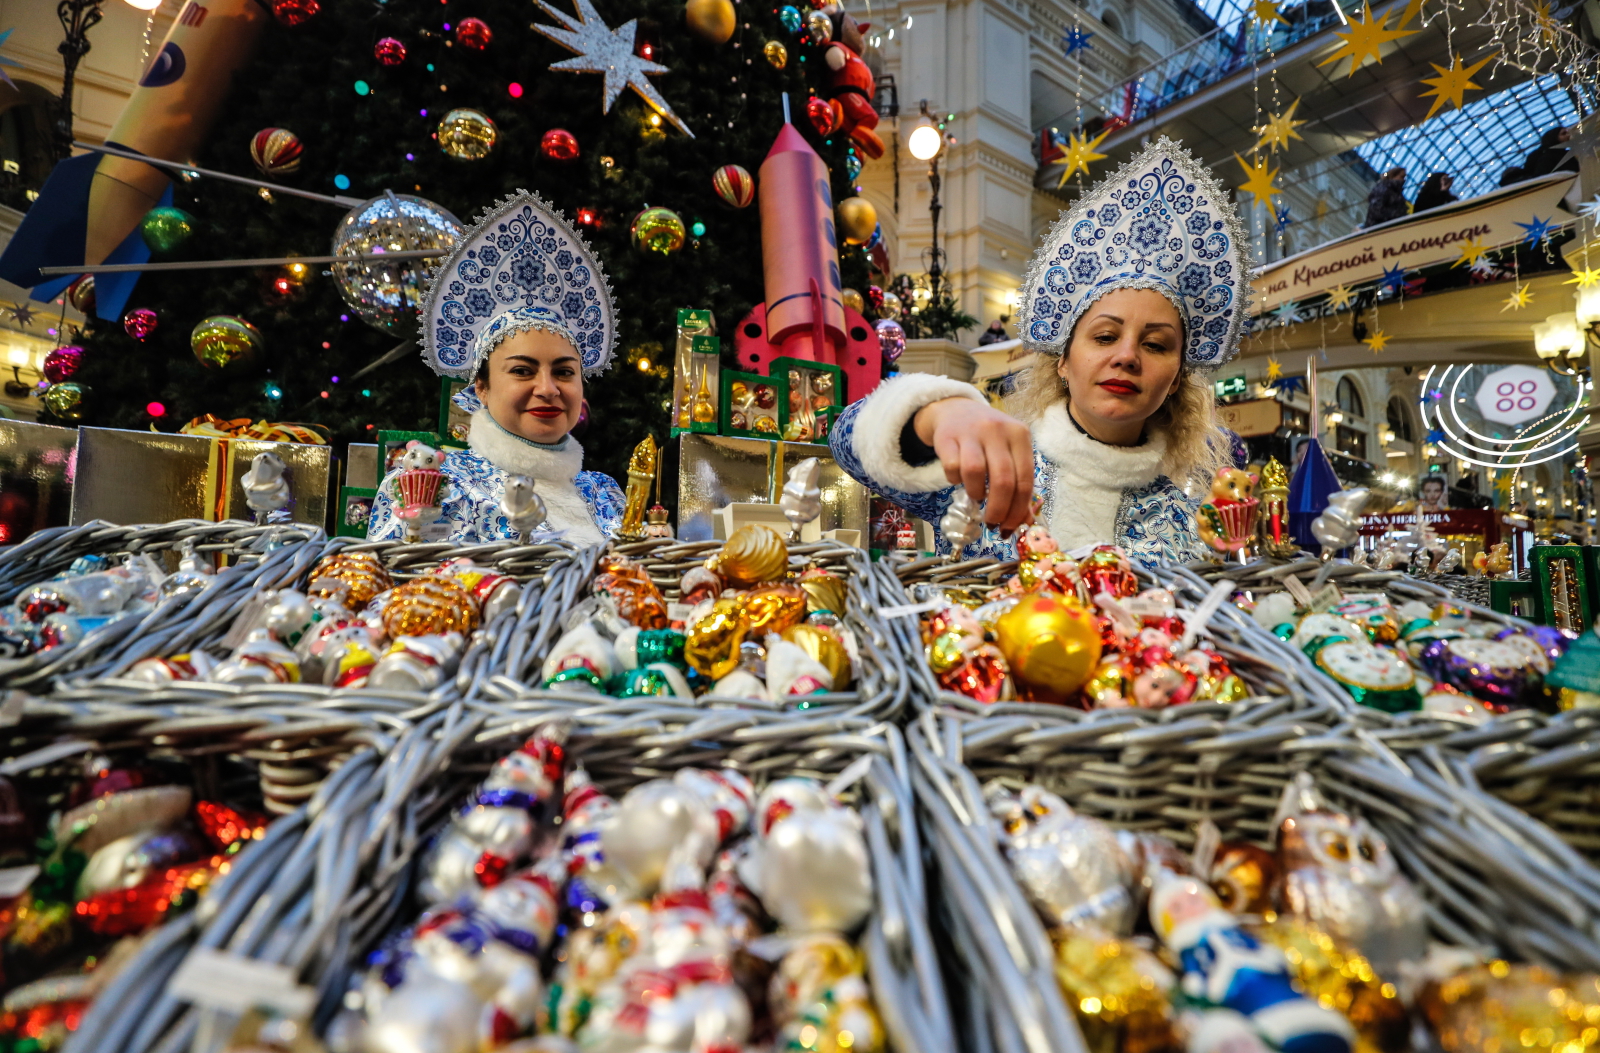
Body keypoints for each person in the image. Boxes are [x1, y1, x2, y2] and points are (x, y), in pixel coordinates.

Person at [829, 137, 1246, 567]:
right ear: (1062, 360)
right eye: (1104, 337)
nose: (1126, 357)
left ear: (1177, 376)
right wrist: (937, 414)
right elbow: (845, 443)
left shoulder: (1191, 516)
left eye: (1155, 344)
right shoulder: (993, 469)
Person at [366, 191, 626, 544]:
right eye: (522, 371)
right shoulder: (432, 485)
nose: (548, 388)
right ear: (481, 389)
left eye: (564, 372)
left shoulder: (605, 494)